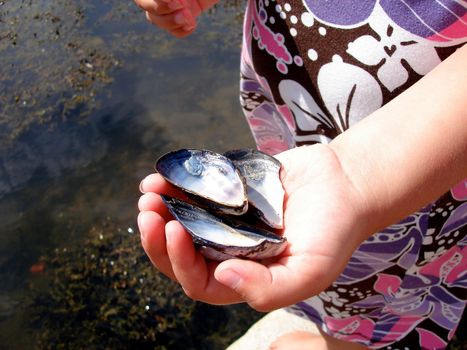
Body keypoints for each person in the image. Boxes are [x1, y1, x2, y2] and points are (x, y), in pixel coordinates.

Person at [135, 0, 467, 348]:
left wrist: (357, 177)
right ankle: (338, 319)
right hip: (293, 95)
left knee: (397, 270)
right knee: (320, 241)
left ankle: (369, 341)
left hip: (422, 156)